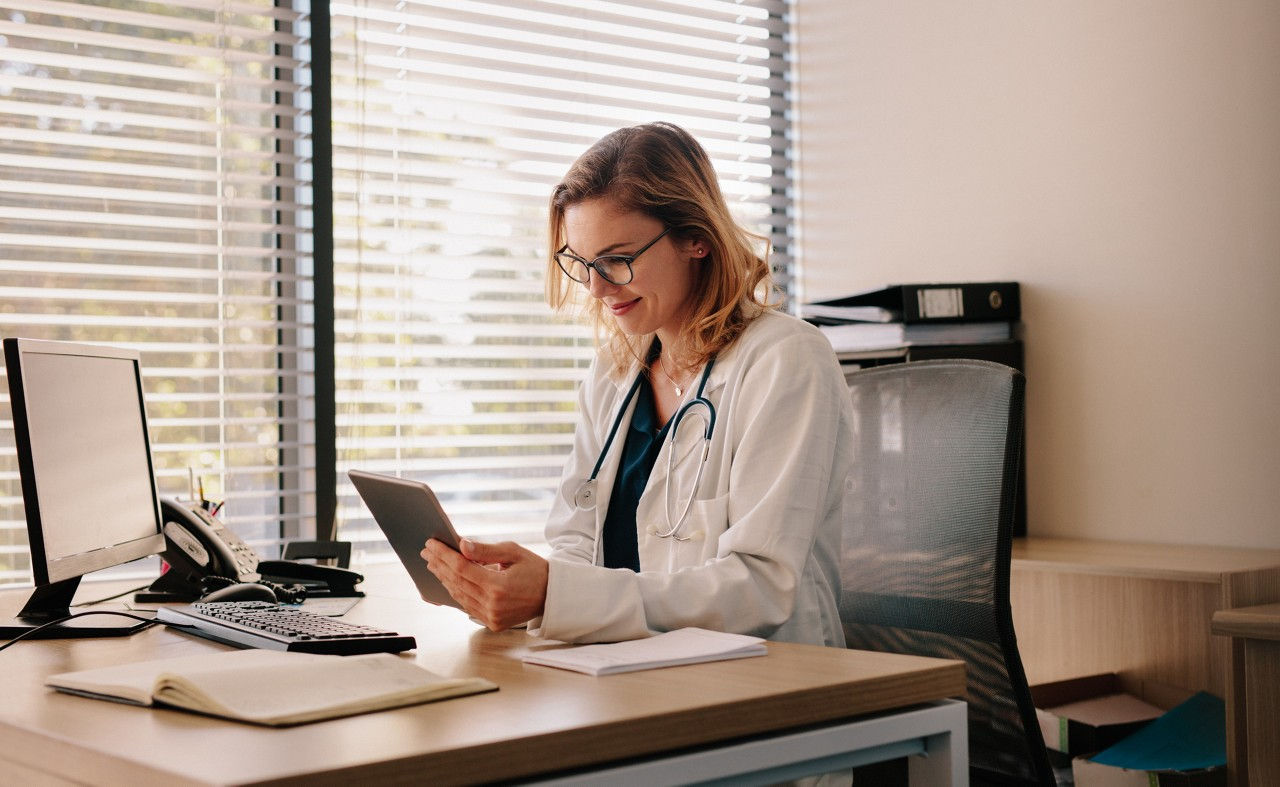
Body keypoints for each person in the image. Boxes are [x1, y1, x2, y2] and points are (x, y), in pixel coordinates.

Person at [421, 122, 855, 647]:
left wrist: (558, 596)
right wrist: (522, 591)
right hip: (627, 669)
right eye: (581, 263)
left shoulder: (785, 360)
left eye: (617, 260)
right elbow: (575, 543)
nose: (597, 287)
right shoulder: (615, 371)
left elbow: (760, 588)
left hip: (763, 678)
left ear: (697, 238)